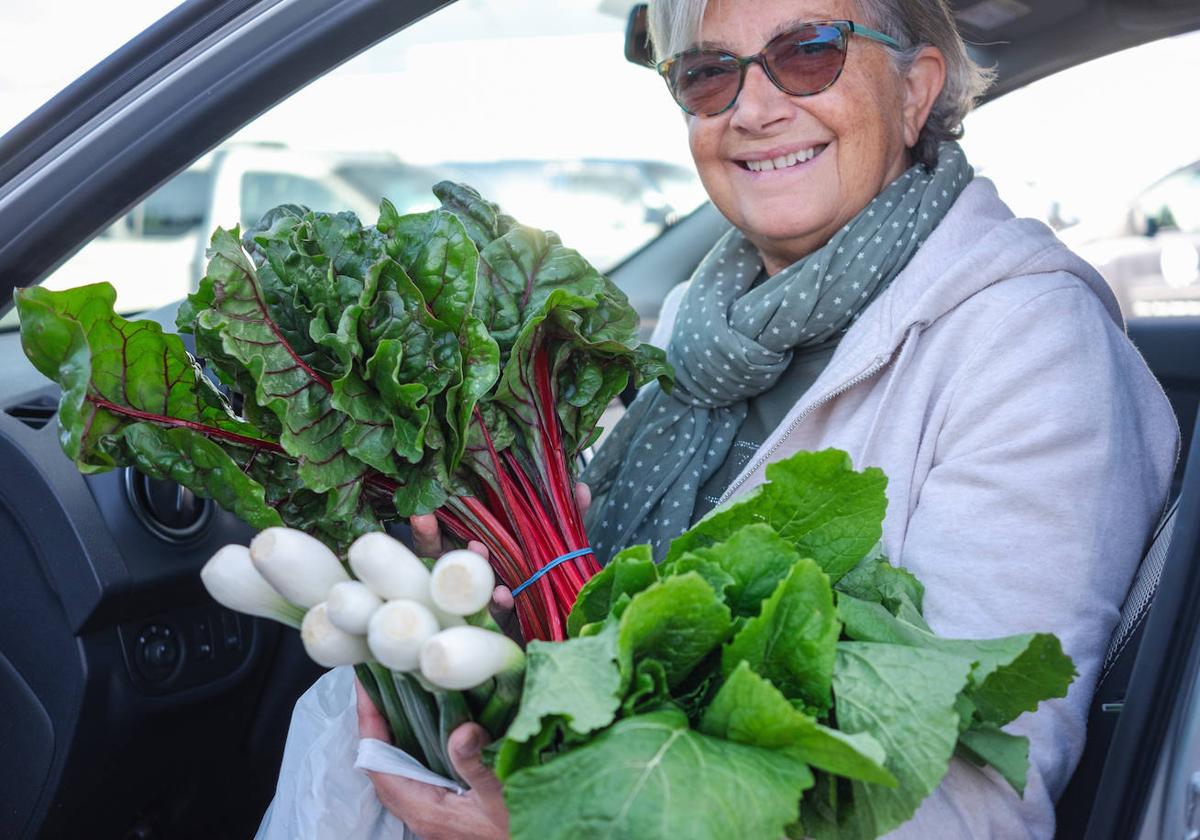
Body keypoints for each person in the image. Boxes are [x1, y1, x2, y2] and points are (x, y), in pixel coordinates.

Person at [359, 0, 1179, 837]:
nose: (752, 109)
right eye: (708, 73)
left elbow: (963, 804)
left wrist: (565, 824)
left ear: (916, 90)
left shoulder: (1030, 347)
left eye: (809, 52)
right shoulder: (700, 319)